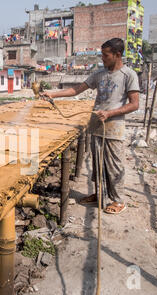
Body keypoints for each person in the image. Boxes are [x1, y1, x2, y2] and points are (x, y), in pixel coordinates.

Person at [41, 38, 140, 215]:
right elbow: (76, 90)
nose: (102, 58)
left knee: (114, 165)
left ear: (118, 55)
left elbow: (134, 104)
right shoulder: (99, 74)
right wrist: (53, 94)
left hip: (114, 127)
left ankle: (118, 200)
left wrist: (110, 113)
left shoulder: (129, 75)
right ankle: (99, 195)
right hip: (96, 125)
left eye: (105, 55)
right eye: (102, 54)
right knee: (98, 164)